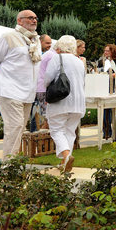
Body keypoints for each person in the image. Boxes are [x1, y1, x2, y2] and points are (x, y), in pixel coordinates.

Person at [0, 10, 41, 158]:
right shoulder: (8, 37)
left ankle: (13, 162)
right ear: (19, 21)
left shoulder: (35, 40)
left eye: (35, 18)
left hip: (28, 92)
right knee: (15, 126)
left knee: (20, 127)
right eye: (30, 18)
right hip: (9, 90)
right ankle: (8, 165)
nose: (34, 20)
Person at [44, 36, 85, 172]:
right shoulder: (79, 61)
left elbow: (48, 78)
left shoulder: (57, 58)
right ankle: (64, 162)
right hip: (78, 102)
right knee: (69, 131)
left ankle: (66, 155)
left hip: (61, 100)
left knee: (56, 130)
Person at [97, 44, 116, 138]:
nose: (105, 52)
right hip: (104, 86)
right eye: (105, 50)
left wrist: (110, 75)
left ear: (112, 51)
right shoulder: (102, 61)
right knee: (105, 110)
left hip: (114, 86)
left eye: (107, 50)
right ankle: (107, 131)